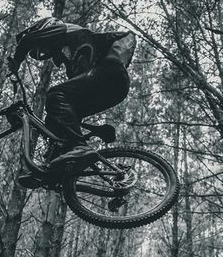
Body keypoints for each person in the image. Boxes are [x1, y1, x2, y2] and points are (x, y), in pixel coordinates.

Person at [8, 18, 136, 175]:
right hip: (115, 88)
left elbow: (28, 39)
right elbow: (69, 107)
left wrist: (16, 60)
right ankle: (56, 166)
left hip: (110, 72)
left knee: (55, 94)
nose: (44, 50)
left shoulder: (65, 30)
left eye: (42, 47)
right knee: (56, 118)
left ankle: (79, 147)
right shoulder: (72, 61)